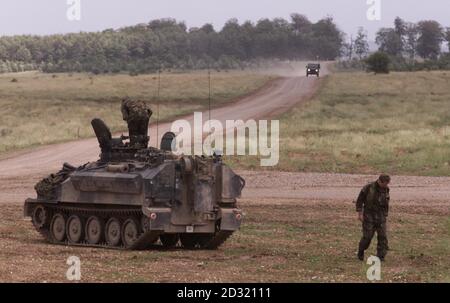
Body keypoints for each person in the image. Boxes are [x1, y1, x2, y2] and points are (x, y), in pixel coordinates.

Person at [356, 174, 391, 261]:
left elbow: (386, 203)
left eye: (387, 184)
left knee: (383, 237)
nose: (386, 185)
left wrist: (385, 215)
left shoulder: (386, 189)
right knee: (367, 237)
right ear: (379, 181)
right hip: (369, 215)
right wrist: (360, 214)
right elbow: (359, 201)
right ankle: (361, 251)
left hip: (381, 216)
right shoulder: (368, 188)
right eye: (384, 184)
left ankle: (381, 257)